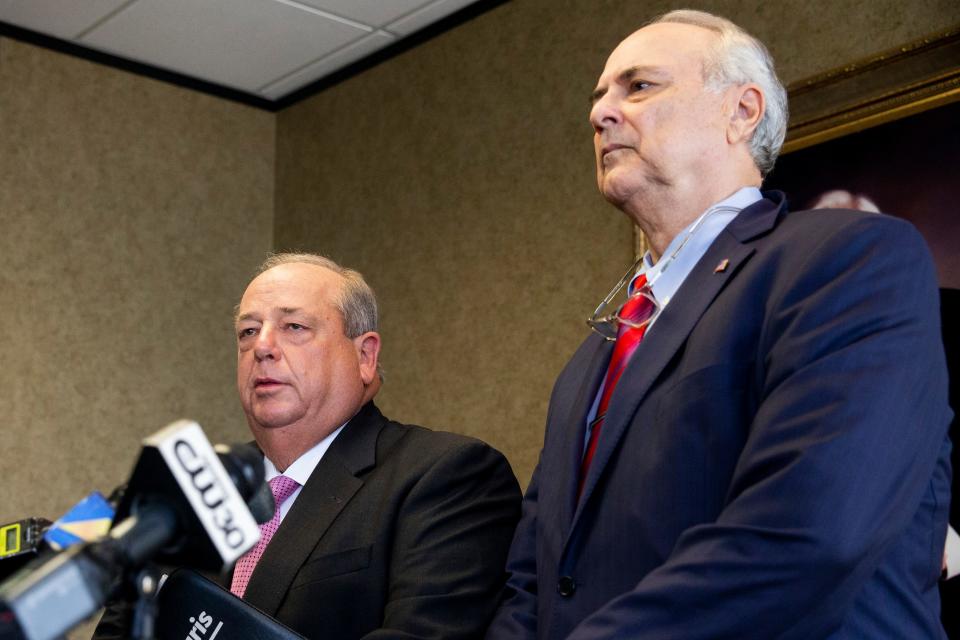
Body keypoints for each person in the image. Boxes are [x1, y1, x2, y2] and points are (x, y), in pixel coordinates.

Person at [486, 9, 951, 640]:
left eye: (639, 86)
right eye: (599, 97)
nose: (600, 113)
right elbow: (533, 574)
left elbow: (807, 533)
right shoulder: (589, 362)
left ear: (742, 112)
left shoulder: (849, 259)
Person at [97, 253, 521, 638]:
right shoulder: (195, 493)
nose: (261, 347)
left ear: (365, 356)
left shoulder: (447, 474)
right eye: (247, 331)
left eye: (294, 327)